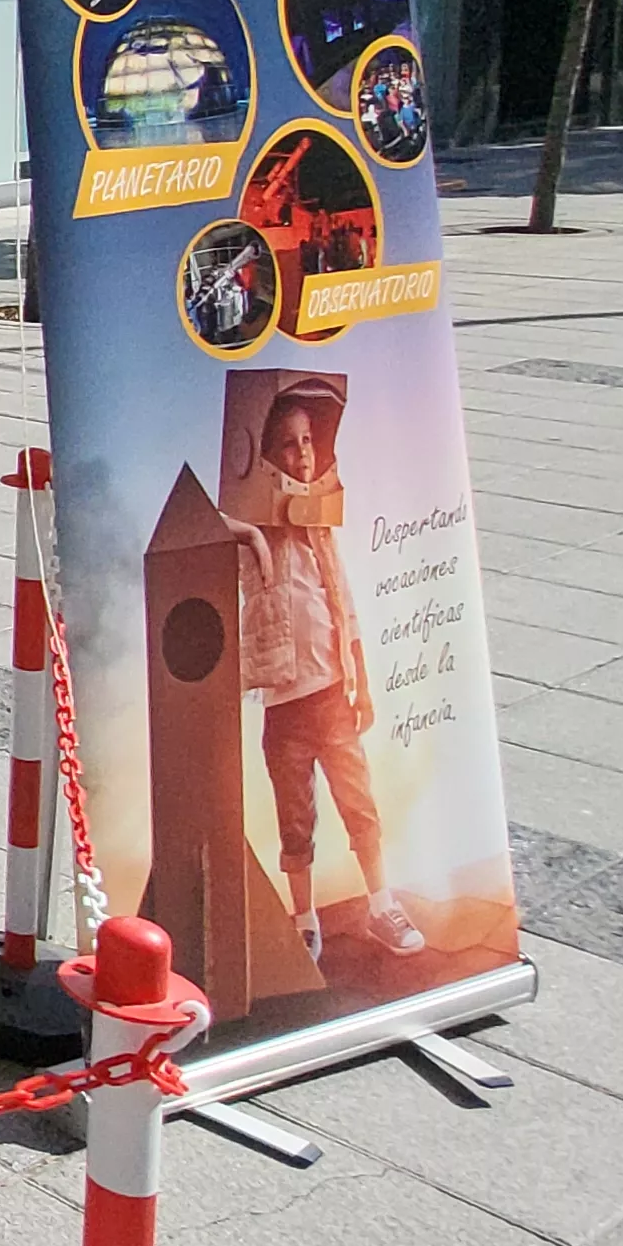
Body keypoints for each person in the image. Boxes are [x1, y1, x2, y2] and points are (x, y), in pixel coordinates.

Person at [233, 388, 422, 965]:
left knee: (358, 802)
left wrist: (360, 676)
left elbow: (345, 604)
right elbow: (213, 515)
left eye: (309, 443)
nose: (303, 456)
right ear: (269, 457)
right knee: (296, 817)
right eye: (288, 446)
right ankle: (304, 917)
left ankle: (380, 903)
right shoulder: (255, 530)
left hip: (332, 695)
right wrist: (252, 526)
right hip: (285, 705)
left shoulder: (321, 529)